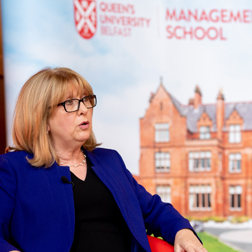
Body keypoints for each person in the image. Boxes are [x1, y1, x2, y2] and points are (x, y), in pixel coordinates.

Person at [0, 67, 207, 252]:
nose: (83, 109)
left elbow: (154, 210)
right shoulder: (13, 169)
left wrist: (183, 232)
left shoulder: (110, 161)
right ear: (43, 119)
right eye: (70, 103)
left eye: (86, 100)